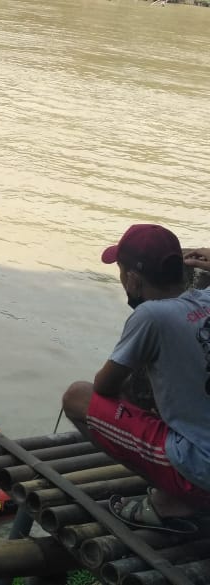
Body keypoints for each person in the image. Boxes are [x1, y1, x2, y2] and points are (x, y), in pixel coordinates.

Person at [62, 224, 210, 533]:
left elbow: (103, 387)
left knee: (77, 396)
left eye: (120, 271)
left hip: (201, 471)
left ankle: (172, 501)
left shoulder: (151, 316)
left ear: (132, 279)